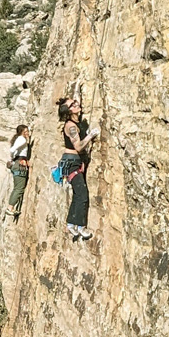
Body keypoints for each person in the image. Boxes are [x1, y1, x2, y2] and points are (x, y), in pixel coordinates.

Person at [58, 98, 95, 241]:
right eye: (72, 105)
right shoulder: (70, 126)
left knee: (77, 193)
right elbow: (78, 146)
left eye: (75, 102)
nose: (76, 104)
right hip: (72, 162)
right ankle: (80, 227)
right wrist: (90, 136)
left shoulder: (73, 123)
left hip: (74, 162)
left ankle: (71, 223)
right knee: (82, 194)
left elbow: (75, 97)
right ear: (69, 111)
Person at [5, 124, 32, 217]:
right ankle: (10, 208)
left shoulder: (19, 139)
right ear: (22, 132)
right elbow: (12, 150)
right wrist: (12, 158)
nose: (27, 133)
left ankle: (11, 207)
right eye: (26, 131)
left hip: (17, 163)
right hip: (20, 164)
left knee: (17, 187)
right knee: (19, 188)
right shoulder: (22, 139)